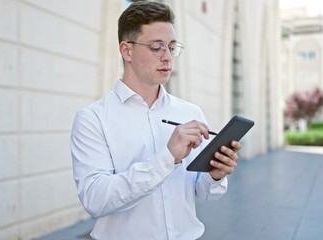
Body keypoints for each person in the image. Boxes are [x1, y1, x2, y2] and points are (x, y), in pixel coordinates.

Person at [70, 1, 241, 239]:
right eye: (156, 47)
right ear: (126, 51)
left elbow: (203, 193)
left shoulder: (189, 112)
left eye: (171, 47)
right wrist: (167, 157)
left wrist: (215, 174)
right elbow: (96, 200)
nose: (167, 57)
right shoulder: (92, 119)